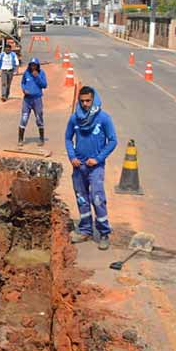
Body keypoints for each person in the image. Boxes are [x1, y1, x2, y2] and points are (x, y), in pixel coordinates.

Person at [65, 86, 118, 250]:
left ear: (93, 99)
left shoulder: (104, 118)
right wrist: (72, 157)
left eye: (88, 100)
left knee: (97, 198)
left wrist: (98, 159)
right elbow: (68, 138)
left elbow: (113, 141)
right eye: (82, 101)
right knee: (81, 198)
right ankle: (85, 229)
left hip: (95, 168)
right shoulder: (75, 119)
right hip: (79, 167)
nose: (85, 104)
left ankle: (103, 233)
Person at [19, 58, 48, 147]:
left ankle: (41, 139)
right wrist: (24, 89)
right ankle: (20, 139)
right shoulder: (26, 73)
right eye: (32, 65)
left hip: (37, 99)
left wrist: (37, 77)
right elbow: (22, 82)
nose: (33, 67)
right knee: (24, 118)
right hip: (27, 99)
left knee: (39, 118)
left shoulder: (41, 73)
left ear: (37, 66)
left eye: (35, 65)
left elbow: (44, 85)